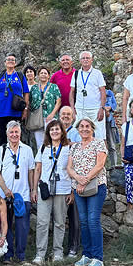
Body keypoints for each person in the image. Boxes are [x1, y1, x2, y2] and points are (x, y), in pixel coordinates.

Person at [67, 118, 108, 266]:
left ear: (92, 128)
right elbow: (69, 167)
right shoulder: (75, 147)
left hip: (96, 186)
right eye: (82, 126)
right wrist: (78, 179)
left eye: (87, 126)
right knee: (83, 221)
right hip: (79, 188)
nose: (84, 129)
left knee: (93, 220)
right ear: (78, 129)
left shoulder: (99, 143)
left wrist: (85, 180)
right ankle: (87, 254)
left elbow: (100, 164)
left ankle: (98, 257)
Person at [0, 121, 35, 263]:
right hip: (4, 195)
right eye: (11, 132)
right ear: (7, 134)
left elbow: (31, 171)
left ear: (20, 133)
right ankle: (8, 255)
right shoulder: (1, 150)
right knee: (6, 225)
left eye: (16, 132)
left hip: (22, 194)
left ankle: (21, 255)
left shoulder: (27, 150)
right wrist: (4, 189)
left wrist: (33, 189)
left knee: (22, 226)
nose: (14, 135)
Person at [32, 120, 72, 264]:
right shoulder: (43, 148)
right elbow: (38, 169)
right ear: (48, 132)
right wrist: (34, 189)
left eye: (57, 129)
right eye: (52, 129)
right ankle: (40, 254)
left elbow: (71, 170)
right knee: (42, 222)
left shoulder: (69, 148)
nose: (54, 132)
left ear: (62, 131)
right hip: (45, 188)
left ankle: (58, 252)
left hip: (62, 189)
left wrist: (71, 191)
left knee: (60, 222)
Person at [58, 105, 81, 257]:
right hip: (59, 182)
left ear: (73, 117)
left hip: (74, 180)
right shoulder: (55, 131)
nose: (66, 116)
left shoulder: (77, 133)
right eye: (63, 114)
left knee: (75, 218)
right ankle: (57, 249)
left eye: (68, 114)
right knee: (58, 219)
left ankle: (73, 247)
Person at [0, 54, 29, 147]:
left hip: (16, 111)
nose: (10, 61)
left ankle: (16, 156)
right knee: (2, 136)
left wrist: (25, 110)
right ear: (5, 63)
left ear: (15, 63)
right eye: (8, 60)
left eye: (12, 60)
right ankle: (3, 157)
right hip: (1, 111)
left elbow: (26, 93)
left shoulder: (20, 76)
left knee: (15, 135)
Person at [69, 51, 106, 133]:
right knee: (79, 134)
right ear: (80, 60)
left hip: (95, 109)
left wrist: (102, 108)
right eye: (83, 58)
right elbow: (72, 92)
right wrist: (72, 108)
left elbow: (103, 91)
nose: (85, 60)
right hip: (80, 109)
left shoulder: (97, 73)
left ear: (91, 60)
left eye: (87, 58)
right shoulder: (76, 74)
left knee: (100, 135)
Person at [28, 66, 62, 149]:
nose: (43, 75)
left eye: (45, 73)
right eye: (41, 73)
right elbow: (30, 102)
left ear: (48, 76)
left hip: (50, 116)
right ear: (38, 76)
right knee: (39, 142)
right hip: (38, 118)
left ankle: (52, 158)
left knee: (52, 139)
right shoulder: (34, 88)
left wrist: (52, 114)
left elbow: (58, 101)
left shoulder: (54, 87)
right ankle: (41, 159)